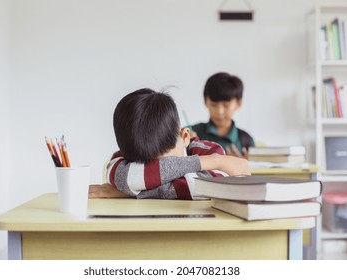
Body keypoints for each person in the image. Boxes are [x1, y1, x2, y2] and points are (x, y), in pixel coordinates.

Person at [89, 88, 250, 200]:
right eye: (151, 167)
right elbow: (124, 178)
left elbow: (216, 187)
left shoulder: (209, 151)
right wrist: (210, 163)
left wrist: (134, 190)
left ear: (185, 136)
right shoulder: (122, 156)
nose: (157, 172)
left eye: (166, 162)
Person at [190, 72, 255, 159]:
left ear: (239, 104)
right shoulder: (189, 133)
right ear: (205, 101)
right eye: (213, 104)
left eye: (226, 105)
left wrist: (245, 165)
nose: (219, 111)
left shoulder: (246, 141)